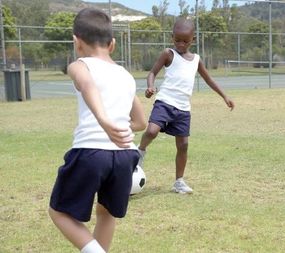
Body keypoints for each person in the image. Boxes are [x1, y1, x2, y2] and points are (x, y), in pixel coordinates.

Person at [48, 8, 146, 253]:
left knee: (59, 212)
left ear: (76, 42)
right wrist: (117, 126)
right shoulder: (126, 75)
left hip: (91, 152)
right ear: (112, 44)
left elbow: (86, 83)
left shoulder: (79, 65)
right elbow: (141, 122)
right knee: (106, 213)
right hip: (125, 155)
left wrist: (103, 121)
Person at [138, 18, 235, 194]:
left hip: (183, 109)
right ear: (172, 37)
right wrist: (150, 87)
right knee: (151, 131)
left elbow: (209, 79)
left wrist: (224, 96)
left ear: (193, 40)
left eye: (185, 41)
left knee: (183, 145)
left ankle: (179, 181)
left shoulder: (196, 59)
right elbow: (152, 73)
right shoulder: (168, 54)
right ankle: (140, 151)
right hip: (165, 102)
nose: (181, 44)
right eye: (177, 40)